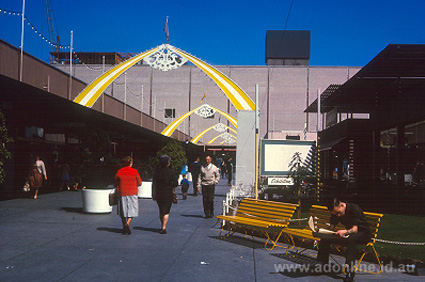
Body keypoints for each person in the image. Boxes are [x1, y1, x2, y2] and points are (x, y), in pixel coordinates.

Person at [316, 198, 372, 282]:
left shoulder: (354, 209)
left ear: (342, 205)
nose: (337, 215)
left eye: (338, 213)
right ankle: (323, 265)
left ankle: (350, 271)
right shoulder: (336, 212)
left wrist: (345, 232)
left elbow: (355, 229)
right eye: (335, 214)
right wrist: (323, 232)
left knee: (352, 239)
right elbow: (331, 228)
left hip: (364, 234)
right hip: (349, 234)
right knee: (325, 238)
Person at [114, 156, 142, 235]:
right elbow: (139, 183)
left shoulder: (119, 171)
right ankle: (127, 224)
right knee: (132, 210)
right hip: (132, 192)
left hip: (122, 193)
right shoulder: (134, 171)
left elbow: (115, 183)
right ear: (130, 163)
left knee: (123, 211)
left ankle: (124, 225)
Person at [152, 155, 178, 234]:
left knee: (161, 210)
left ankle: (162, 225)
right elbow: (176, 183)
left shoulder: (157, 172)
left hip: (159, 193)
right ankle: (164, 227)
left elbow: (154, 184)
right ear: (168, 163)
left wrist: (153, 194)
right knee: (166, 211)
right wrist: (171, 186)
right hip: (168, 193)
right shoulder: (171, 172)